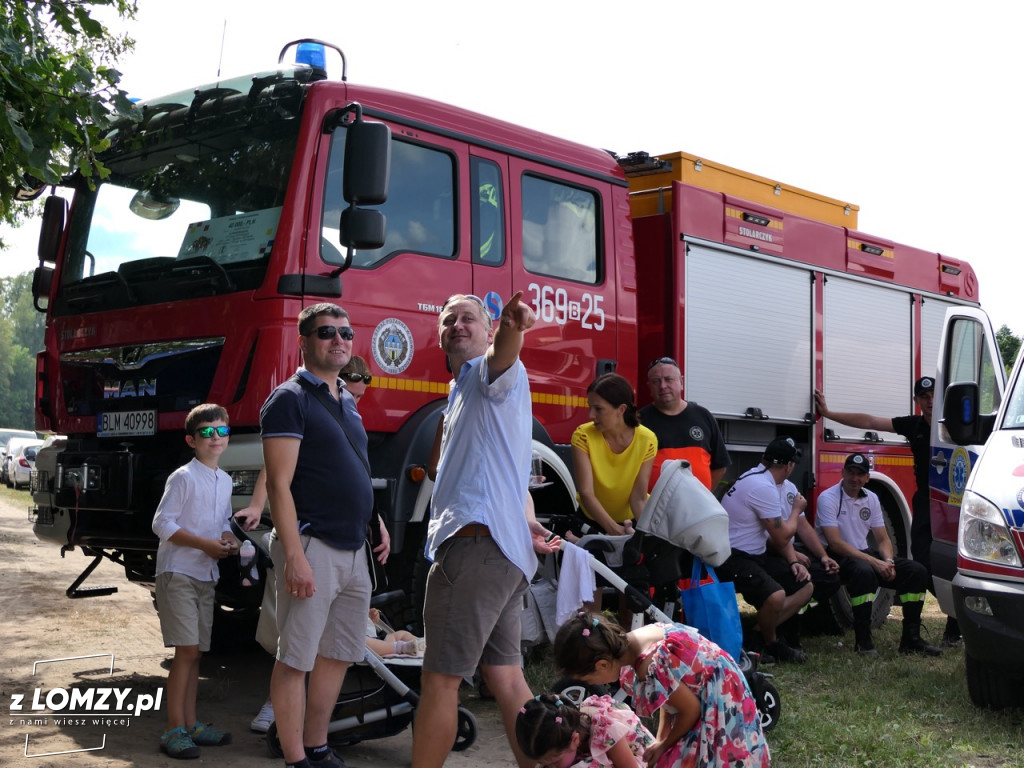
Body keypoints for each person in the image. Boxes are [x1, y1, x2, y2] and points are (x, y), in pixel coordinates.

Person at [412, 291, 559, 768]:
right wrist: (527, 520)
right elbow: (507, 470)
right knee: (507, 677)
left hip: (475, 550)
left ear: (489, 330)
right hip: (503, 551)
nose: (457, 325)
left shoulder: (487, 374)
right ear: (438, 335)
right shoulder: (460, 392)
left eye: (469, 318)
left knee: (439, 681)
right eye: (448, 318)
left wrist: (515, 327)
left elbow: (503, 355)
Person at [261, 303, 387, 768]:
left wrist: (376, 522)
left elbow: (353, 468)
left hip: (355, 549)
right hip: (312, 545)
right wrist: (294, 556)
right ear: (305, 341)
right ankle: (295, 760)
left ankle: (317, 746)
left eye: (346, 333)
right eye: (326, 333)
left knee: (338, 655)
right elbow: (278, 484)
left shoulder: (347, 401)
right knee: (296, 658)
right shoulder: (289, 399)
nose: (338, 340)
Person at [814, 377, 961, 646]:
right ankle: (953, 617)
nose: (929, 401)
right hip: (926, 503)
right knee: (923, 566)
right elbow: (870, 422)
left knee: (952, 562)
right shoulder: (912, 425)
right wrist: (829, 414)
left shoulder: (956, 427)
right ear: (916, 401)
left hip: (952, 503)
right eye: (923, 396)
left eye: (933, 395)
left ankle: (953, 626)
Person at [553, 612, 769, 768]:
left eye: (590, 679)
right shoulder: (636, 641)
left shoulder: (649, 664)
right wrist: (660, 740)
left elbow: (690, 710)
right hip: (712, 690)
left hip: (720, 701)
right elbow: (668, 697)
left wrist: (665, 744)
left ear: (601, 664)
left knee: (714, 757)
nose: (593, 683)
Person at [151, 403, 236, 759]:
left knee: (197, 653)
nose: (215, 438)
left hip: (206, 575)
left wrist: (229, 541)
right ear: (191, 439)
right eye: (206, 432)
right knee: (185, 652)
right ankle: (173, 730)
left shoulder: (226, 480)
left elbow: (223, 524)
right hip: (179, 574)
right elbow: (162, 523)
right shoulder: (183, 477)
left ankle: (190, 724)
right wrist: (204, 544)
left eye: (221, 431)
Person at [815, 452, 942, 657]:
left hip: (863, 553)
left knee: (916, 571)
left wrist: (889, 562)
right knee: (864, 571)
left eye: (860, 474)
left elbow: (883, 539)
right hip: (838, 556)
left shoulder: (871, 498)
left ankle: (911, 639)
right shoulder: (828, 498)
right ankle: (863, 642)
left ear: (867, 478)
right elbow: (835, 543)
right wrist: (876, 562)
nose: (855, 478)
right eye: (851, 472)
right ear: (843, 472)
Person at [716, 437, 814, 663]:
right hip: (733, 557)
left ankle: (757, 636)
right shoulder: (763, 487)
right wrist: (797, 509)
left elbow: (775, 538)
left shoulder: (755, 476)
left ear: (764, 459)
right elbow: (782, 534)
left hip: (754, 554)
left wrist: (793, 562)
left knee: (805, 587)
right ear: (789, 466)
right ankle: (771, 643)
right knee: (776, 595)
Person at [572, 373, 657, 536]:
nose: (591, 415)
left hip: (628, 523)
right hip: (591, 523)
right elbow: (586, 493)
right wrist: (613, 530)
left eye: (598, 409)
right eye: (590, 407)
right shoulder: (583, 435)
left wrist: (645, 535)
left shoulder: (647, 440)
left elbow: (638, 498)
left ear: (621, 409)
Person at [770, 465, 841, 650]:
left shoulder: (790, 488)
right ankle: (781, 633)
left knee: (829, 577)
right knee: (797, 580)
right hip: (769, 551)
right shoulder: (763, 487)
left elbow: (803, 527)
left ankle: (796, 617)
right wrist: (792, 554)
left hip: (788, 548)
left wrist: (823, 556)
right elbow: (765, 535)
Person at [640, 357, 729, 493]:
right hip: (655, 510)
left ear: (681, 382)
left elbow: (720, 466)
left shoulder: (703, 416)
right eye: (656, 381)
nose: (663, 386)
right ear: (649, 387)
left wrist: (705, 496)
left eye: (668, 379)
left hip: (696, 510)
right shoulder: (639, 420)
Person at [515, 692, 654, 768]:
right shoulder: (565, 724)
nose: (549, 767)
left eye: (554, 763)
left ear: (575, 740)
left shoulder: (606, 730)